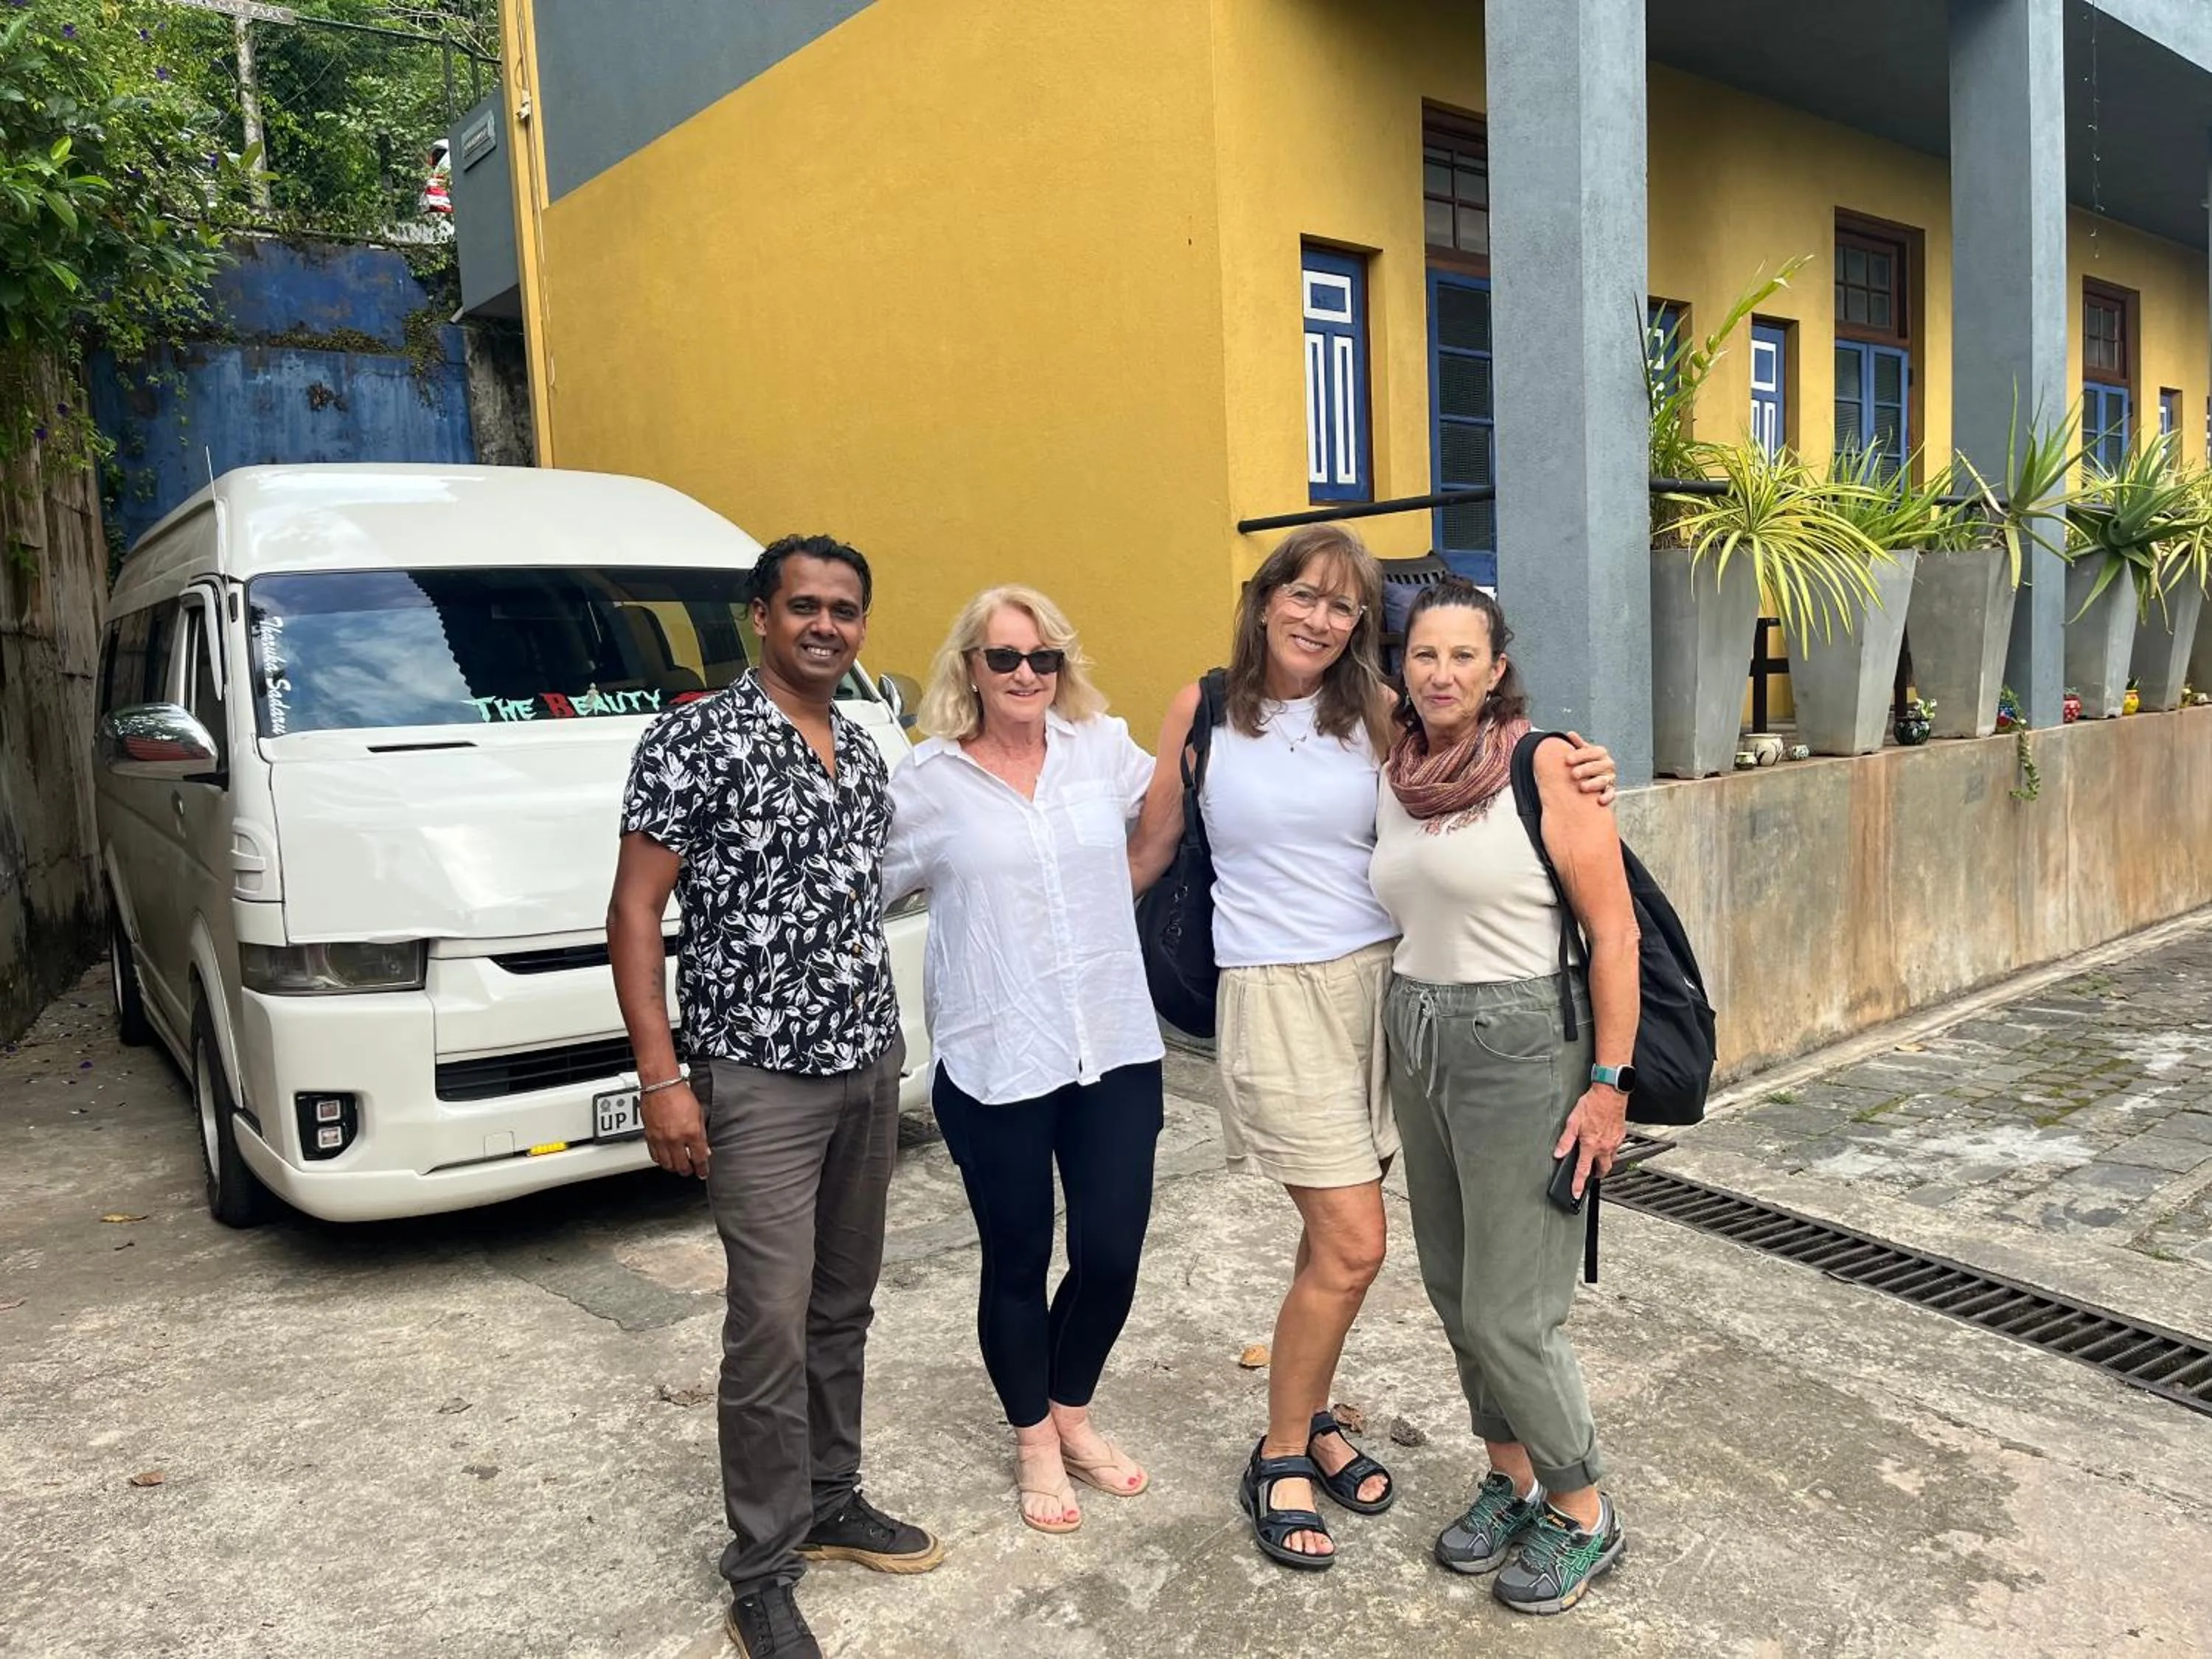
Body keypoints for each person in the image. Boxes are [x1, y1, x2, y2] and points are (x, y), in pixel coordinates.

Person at [1130, 526, 1616, 1571]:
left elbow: (1479, 742)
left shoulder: (1382, 712)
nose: (1319, 616)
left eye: (1345, 606)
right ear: (1264, 600)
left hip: (1391, 997)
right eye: (1301, 594)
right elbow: (1150, 850)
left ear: (1365, 629)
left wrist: (1582, 761)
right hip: (1273, 995)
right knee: (1355, 1243)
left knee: (1331, 1251)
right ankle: (1277, 1452)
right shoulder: (1204, 708)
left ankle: (1309, 1417)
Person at [608, 535, 942, 1659]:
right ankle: (759, 1565)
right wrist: (662, 1078)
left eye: (845, 609)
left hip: (864, 1062)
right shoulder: (696, 736)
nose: (826, 625)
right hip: (756, 1077)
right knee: (767, 1322)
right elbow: (637, 912)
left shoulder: (859, 743)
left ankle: (830, 1494)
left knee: (843, 1305)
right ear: (761, 614)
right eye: (804, 605)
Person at [1369, 578, 1638, 1616]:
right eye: (1422, 654)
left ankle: (1583, 1505)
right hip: (1421, 1033)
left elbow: (1613, 934)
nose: (1439, 673)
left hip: (1526, 1043)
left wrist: (1608, 1086)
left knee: (1512, 1309)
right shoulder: (1398, 770)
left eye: (1460, 656)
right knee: (1452, 1286)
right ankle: (1512, 1476)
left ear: (1496, 667)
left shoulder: (1547, 765)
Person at [880, 586, 1163, 1537]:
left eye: (1043, 658)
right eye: (1006, 658)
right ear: (971, 668)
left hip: (1113, 1047)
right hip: (995, 1055)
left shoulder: (1103, 751)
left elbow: (1190, 800)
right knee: (1017, 1257)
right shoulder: (924, 784)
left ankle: (1071, 1406)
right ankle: (1034, 1434)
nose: (1027, 675)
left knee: (1112, 1253)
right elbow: (851, 891)